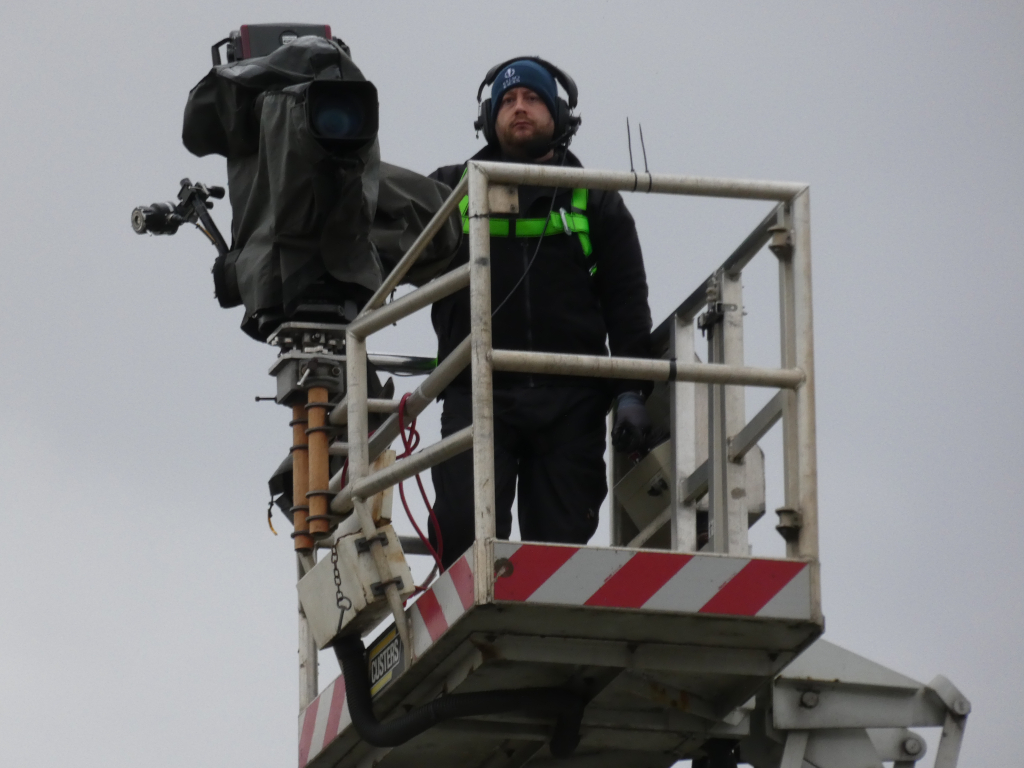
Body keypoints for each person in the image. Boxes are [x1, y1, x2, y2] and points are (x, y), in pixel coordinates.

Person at [428, 57, 654, 569]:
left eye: (532, 99)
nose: (520, 108)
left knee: (557, 553)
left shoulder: (595, 198)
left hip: (570, 397)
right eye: (508, 101)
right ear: (490, 118)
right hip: (477, 391)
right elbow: (384, 238)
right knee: (462, 529)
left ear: (559, 116)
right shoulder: (448, 191)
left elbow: (626, 299)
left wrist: (630, 391)